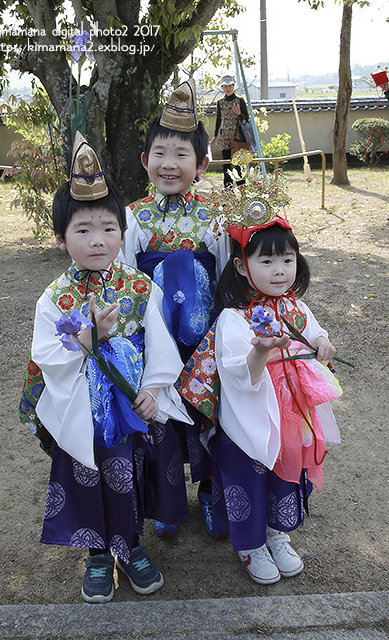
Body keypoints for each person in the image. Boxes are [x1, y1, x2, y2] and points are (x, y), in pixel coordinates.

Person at [19, 132, 192, 603]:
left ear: (124, 230)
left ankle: (132, 545)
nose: (99, 240)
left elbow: (159, 343)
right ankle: (97, 553)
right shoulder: (55, 297)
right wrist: (89, 340)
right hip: (85, 408)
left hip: (132, 402)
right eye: (83, 230)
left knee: (130, 472)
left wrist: (155, 389)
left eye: (109, 228)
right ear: (59, 239)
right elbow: (47, 356)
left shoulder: (138, 285)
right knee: (89, 472)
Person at [178, 168, 342, 585]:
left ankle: (278, 534)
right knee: (251, 472)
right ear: (240, 264)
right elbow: (235, 374)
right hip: (251, 416)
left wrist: (322, 342)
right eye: (265, 260)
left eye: (287, 259)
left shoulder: (294, 307)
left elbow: (313, 329)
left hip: (292, 412)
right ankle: (250, 545)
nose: (280, 269)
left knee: (288, 467)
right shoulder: (234, 318)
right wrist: (259, 353)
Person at [122, 78, 230, 539]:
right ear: (145, 161)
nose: (170, 164)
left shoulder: (215, 216)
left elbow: (227, 276)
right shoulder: (131, 218)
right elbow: (124, 278)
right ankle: (167, 505)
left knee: (209, 414)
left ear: (202, 164)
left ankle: (208, 492)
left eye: (182, 154)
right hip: (154, 338)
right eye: (160, 154)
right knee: (162, 419)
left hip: (205, 340)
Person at [210, 74, 250, 187]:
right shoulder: (220, 102)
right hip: (225, 134)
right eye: (225, 86)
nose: (227, 88)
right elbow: (218, 119)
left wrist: (239, 114)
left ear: (233, 86)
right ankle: (228, 188)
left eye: (230, 86)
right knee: (226, 163)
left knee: (238, 162)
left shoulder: (239, 100)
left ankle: (241, 186)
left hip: (238, 135)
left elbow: (246, 117)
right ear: (222, 88)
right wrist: (215, 136)